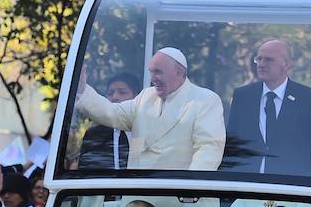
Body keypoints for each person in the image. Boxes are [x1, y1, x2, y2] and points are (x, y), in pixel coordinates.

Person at [75, 47, 225, 170]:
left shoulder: (205, 100)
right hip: (140, 194)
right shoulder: (146, 96)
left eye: (158, 72)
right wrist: (82, 90)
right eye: (151, 72)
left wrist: (191, 187)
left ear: (179, 72)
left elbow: (208, 149)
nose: (153, 78)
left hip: (180, 198)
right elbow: (113, 113)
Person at [225, 39, 311, 176]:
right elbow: (232, 142)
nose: (261, 64)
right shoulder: (243, 95)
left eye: (269, 60)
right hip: (246, 183)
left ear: (286, 65)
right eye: (259, 59)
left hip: (291, 186)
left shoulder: (309, 98)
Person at [78, 73, 141, 169]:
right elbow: (85, 170)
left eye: (122, 92)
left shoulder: (145, 131)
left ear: (136, 97)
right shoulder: (94, 134)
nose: (115, 97)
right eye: (110, 93)